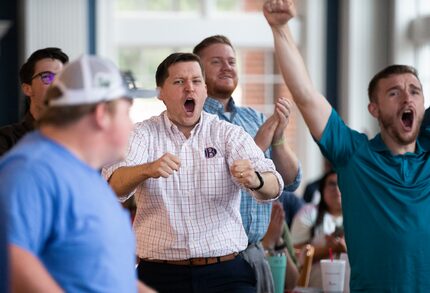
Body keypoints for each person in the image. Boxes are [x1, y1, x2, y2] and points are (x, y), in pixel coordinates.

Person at [263, 1, 430, 291]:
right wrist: (280, 28)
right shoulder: (354, 154)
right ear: (374, 109)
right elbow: (305, 95)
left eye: (414, 91)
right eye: (394, 92)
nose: (407, 97)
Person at [103, 52, 284, 292]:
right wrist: (146, 170)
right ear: (161, 93)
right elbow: (111, 186)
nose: (190, 88)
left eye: (196, 81)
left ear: (205, 91)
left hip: (226, 273)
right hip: (160, 274)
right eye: (179, 82)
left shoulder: (228, 134)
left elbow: (275, 185)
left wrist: (256, 179)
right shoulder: (142, 134)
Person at [0, 55, 154, 292]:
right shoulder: (30, 171)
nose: (131, 125)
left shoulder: (84, 174)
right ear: (102, 114)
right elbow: (13, 264)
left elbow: (101, 273)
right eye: (126, 112)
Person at [193, 35, 301, 292]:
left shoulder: (255, 117)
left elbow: (291, 181)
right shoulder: (195, 121)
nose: (227, 67)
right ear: (198, 72)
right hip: (213, 260)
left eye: (231, 61)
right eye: (216, 62)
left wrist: (279, 140)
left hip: (257, 254)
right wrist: (260, 144)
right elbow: (214, 177)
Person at [0, 47, 68, 156]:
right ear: (28, 89)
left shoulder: (81, 138)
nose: (57, 84)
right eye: (47, 77)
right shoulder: (6, 140)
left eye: (62, 77)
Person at [291, 170, 346, 288]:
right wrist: (329, 249)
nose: (337, 189)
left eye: (342, 183)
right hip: (314, 287)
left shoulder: (360, 218)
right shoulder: (308, 213)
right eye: (332, 184)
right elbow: (295, 254)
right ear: (322, 189)